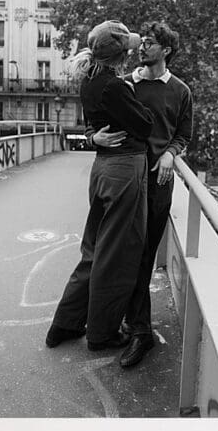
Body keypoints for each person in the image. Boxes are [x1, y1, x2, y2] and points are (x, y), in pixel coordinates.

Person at [46, 22, 153, 352]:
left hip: (103, 169)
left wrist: (93, 137)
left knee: (93, 249)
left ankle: (65, 323)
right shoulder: (116, 86)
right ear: (120, 54)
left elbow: (93, 126)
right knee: (116, 255)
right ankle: (102, 333)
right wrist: (133, 94)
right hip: (125, 170)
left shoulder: (90, 79)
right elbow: (145, 125)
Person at [119, 22, 194, 372]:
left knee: (145, 255)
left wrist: (170, 154)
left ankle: (139, 330)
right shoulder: (128, 84)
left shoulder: (181, 91)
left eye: (149, 43)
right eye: (142, 42)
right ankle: (133, 324)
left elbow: (183, 134)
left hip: (159, 183)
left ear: (165, 50)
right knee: (124, 252)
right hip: (126, 177)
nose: (141, 47)